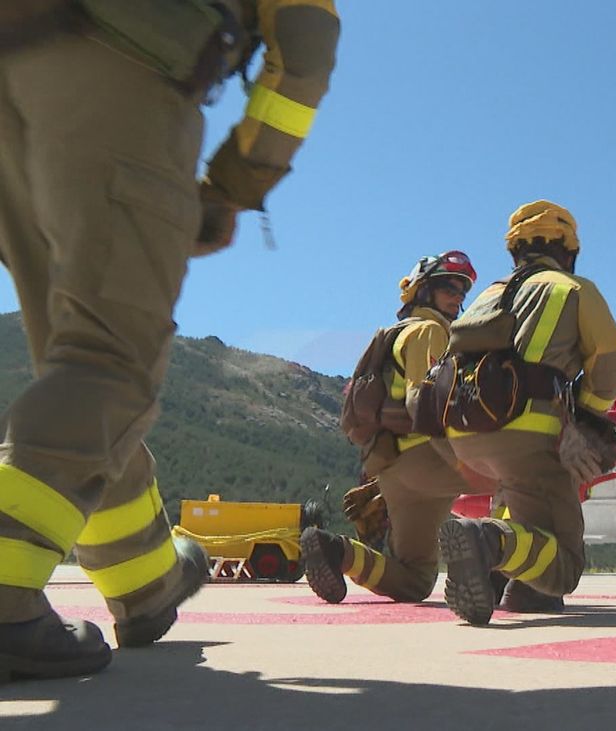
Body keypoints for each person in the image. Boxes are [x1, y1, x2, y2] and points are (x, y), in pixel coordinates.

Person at [0, 1, 338, 681]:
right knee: (111, 361)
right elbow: (305, 45)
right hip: (116, 57)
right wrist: (235, 184)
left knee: (74, 364)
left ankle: (146, 582)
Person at [436, 201, 616, 625]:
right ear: (568, 250)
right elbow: (614, 363)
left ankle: (517, 586)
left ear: (514, 252)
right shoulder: (573, 289)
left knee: (527, 504)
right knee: (565, 565)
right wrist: (584, 415)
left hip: (465, 436)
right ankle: (490, 543)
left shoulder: (487, 295)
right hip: (529, 433)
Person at [302, 252, 483, 605]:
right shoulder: (429, 332)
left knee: (414, 580)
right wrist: (461, 460)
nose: (458, 296)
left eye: (462, 290)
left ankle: (337, 551)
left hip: (393, 469)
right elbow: (425, 402)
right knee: (518, 478)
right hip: (428, 458)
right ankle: (509, 571)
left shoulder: (396, 334)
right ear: (423, 290)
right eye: (449, 286)